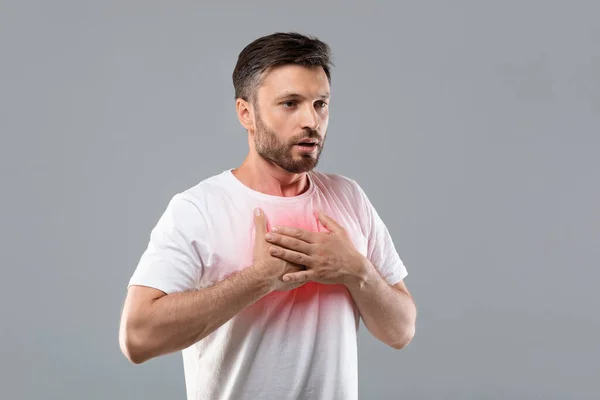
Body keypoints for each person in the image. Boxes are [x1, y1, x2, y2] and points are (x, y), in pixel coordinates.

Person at [118, 32, 417, 400]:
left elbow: (401, 331)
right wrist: (258, 280)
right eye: (290, 103)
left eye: (320, 104)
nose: (312, 120)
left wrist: (358, 272)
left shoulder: (349, 197)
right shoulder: (198, 209)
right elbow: (137, 338)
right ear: (247, 114)